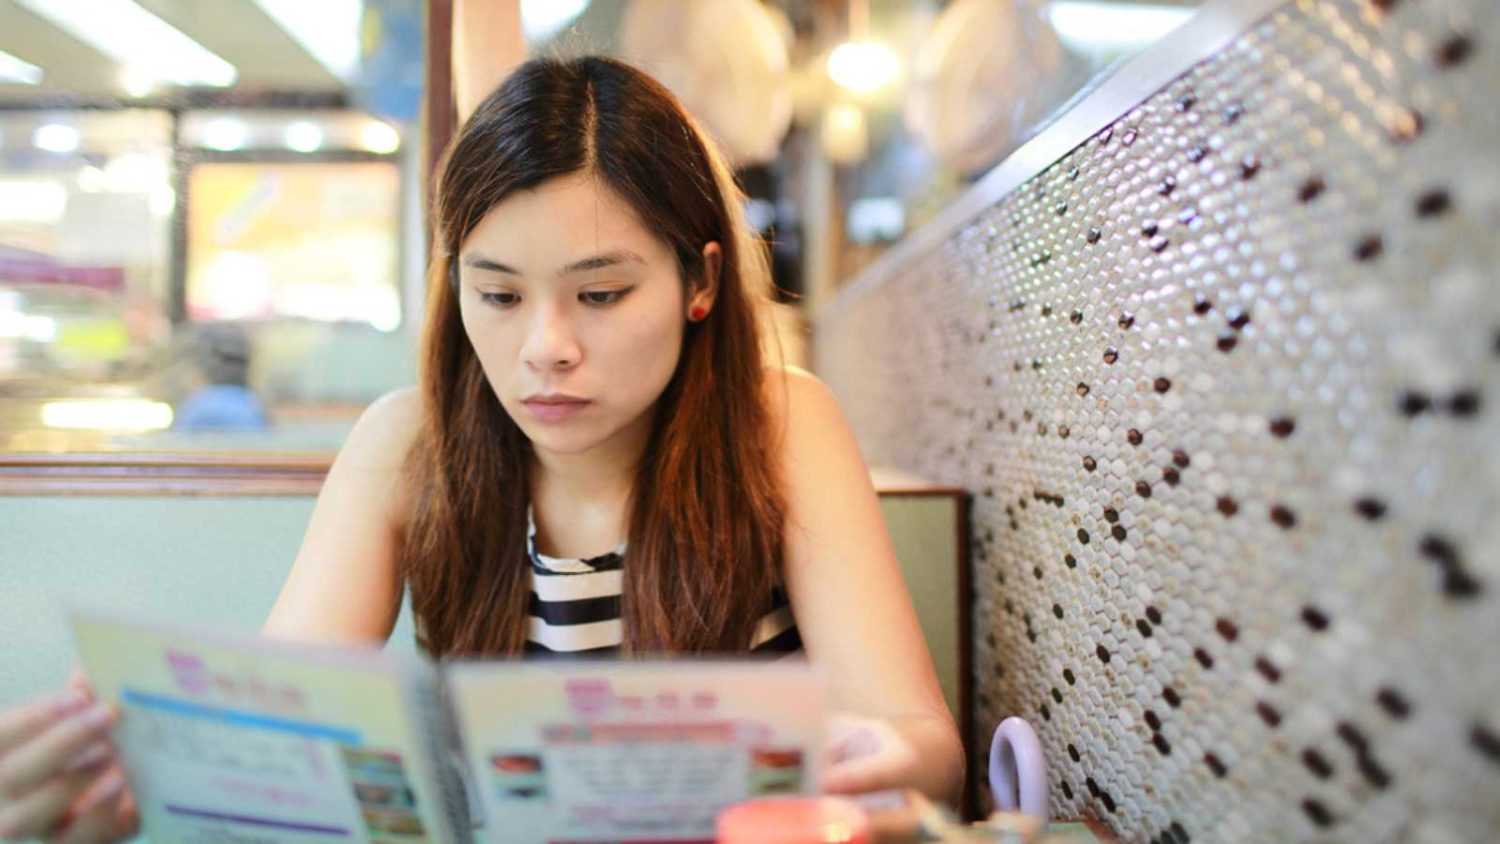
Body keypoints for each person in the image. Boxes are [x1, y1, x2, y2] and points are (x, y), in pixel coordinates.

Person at [0, 56, 963, 843]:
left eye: (601, 294)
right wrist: (153, 752)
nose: (546, 345)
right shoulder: (405, 446)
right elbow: (289, 703)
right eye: (498, 295)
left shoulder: (778, 424)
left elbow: (924, 739)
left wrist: (856, 758)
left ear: (698, 281)